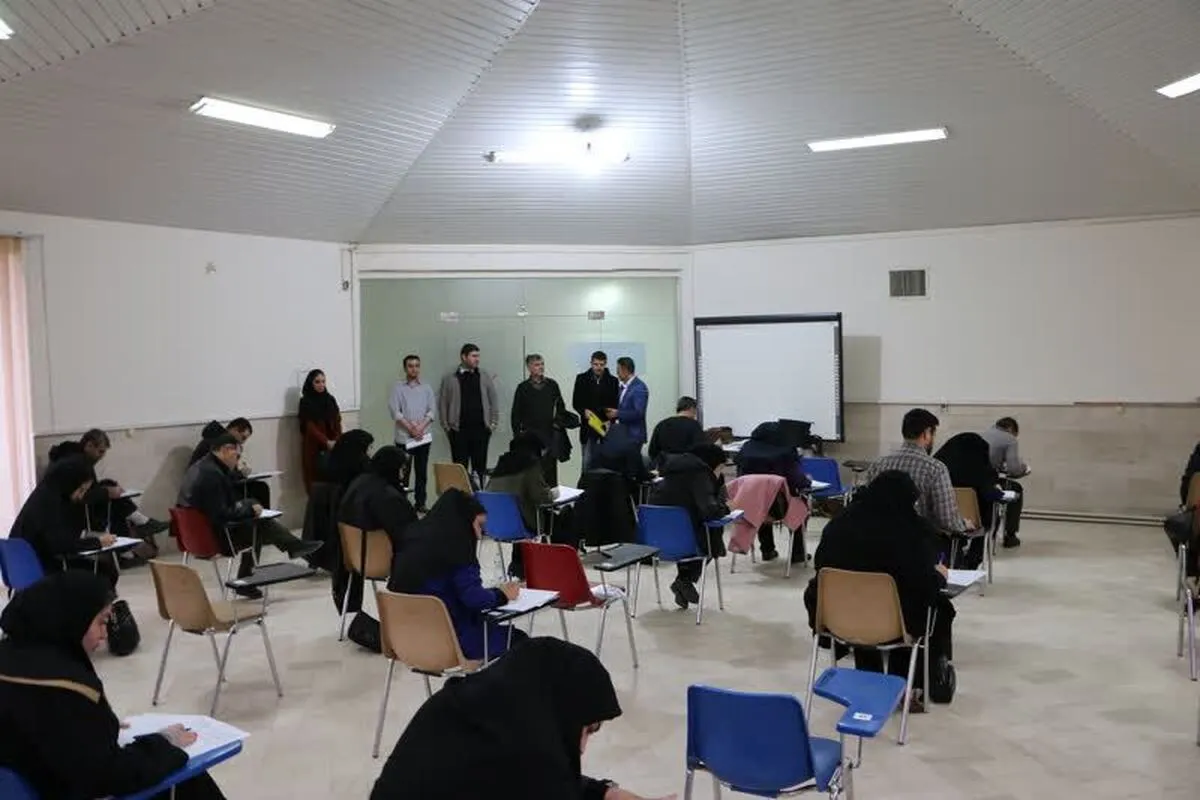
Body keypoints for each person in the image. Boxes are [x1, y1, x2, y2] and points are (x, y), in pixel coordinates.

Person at [0, 571, 227, 799]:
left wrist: (94, 727)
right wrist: (164, 742)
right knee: (188, 777)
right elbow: (112, 776)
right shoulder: (64, 688)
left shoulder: (14, 661)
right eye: (101, 622)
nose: (105, 634)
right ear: (72, 619)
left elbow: (48, 733)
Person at [371, 637, 671, 800]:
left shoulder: (461, 707)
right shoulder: (528, 754)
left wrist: (606, 793)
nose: (581, 747)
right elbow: (540, 777)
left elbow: (523, 777)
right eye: (587, 729)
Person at [803, 471, 955, 712]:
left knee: (869, 601)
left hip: (839, 621)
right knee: (929, 606)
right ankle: (906, 687)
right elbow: (923, 584)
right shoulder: (914, 530)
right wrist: (940, 575)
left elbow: (821, 565)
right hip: (892, 626)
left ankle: (868, 682)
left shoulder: (839, 523)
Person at [178, 433, 321, 599]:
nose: (238, 460)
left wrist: (247, 504)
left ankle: (292, 548)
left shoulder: (203, 467)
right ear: (226, 450)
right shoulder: (212, 475)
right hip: (213, 539)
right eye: (237, 455)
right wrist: (250, 511)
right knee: (258, 526)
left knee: (253, 510)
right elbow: (223, 514)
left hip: (194, 536)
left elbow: (220, 502)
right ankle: (291, 548)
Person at [387, 488, 522, 661]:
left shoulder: (409, 539)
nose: (479, 535)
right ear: (464, 522)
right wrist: (502, 595)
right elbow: (474, 599)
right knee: (518, 640)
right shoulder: (458, 551)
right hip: (450, 641)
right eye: (479, 526)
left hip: (405, 640)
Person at [10, 456, 119, 587]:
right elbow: (61, 546)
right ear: (70, 483)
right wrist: (98, 542)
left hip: (25, 566)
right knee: (105, 572)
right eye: (81, 490)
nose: (81, 496)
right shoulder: (51, 504)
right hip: (42, 567)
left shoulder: (45, 494)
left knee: (102, 569)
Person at [337, 445, 418, 619]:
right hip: (380, 558)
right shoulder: (387, 496)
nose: (403, 474)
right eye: (402, 469)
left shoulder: (359, 482)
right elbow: (409, 532)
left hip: (355, 557)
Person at [647, 443, 730, 610]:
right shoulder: (701, 476)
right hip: (688, 543)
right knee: (711, 534)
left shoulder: (667, 474)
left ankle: (683, 581)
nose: (720, 473)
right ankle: (684, 580)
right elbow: (711, 511)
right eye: (721, 468)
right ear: (712, 463)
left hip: (655, 543)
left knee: (689, 529)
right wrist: (726, 507)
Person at [49, 428, 168, 540]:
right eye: (100, 452)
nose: (101, 457)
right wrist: (107, 492)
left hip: (75, 511)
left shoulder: (71, 459)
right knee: (115, 504)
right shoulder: (78, 463)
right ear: (89, 446)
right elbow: (80, 496)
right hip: (75, 517)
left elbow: (84, 490)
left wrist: (107, 490)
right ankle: (139, 525)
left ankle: (139, 525)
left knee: (110, 489)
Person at [864, 408, 965, 537]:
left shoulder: (878, 464)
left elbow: (867, 506)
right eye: (933, 435)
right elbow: (947, 520)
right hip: (919, 543)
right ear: (926, 433)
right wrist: (963, 524)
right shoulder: (936, 469)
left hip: (879, 540)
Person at [302, 428, 375, 573]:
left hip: (327, 518)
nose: (371, 451)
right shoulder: (361, 465)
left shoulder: (327, 460)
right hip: (349, 519)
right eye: (370, 447)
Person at [735, 421, 811, 563]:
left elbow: (740, 479)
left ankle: (767, 550)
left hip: (749, 508)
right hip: (779, 508)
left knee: (760, 499)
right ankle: (798, 553)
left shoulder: (745, 450)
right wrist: (807, 481)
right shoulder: (786, 451)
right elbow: (798, 481)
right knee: (802, 507)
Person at [487, 432, 556, 579]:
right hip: (524, 525)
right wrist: (553, 493)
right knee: (559, 520)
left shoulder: (500, 465)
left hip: (496, 526)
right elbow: (543, 498)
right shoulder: (530, 466)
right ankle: (551, 566)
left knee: (519, 513)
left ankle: (518, 567)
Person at [934, 432, 1003, 568]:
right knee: (992, 516)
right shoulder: (981, 471)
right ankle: (972, 561)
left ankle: (956, 556)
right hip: (973, 522)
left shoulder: (939, 469)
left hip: (943, 521)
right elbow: (993, 495)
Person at [438, 343, 500, 487]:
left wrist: (492, 424)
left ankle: (480, 496)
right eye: (474, 356)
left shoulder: (484, 376)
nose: (477, 359)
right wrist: (447, 427)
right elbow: (443, 404)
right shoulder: (450, 378)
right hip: (459, 431)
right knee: (460, 470)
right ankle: (462, 498)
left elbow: (493, 400)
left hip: (481, 430)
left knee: (480, 469)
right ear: (463, 357)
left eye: (478, 356)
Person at [389, 354, 436, 513]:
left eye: (417, 365)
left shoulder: (426, 387)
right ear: (405, 368)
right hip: (404, 437)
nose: (414, 369)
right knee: (403, 473)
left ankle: (420, 503)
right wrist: (411, 428)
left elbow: (432, 411)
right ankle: (402, 505)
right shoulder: (398, 388)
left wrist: (420, 428)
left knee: (421, 472)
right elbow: (396, 412)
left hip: (423, 436)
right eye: (410, 366)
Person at [511, 353, 567, 485]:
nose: (541, 367)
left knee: (550, 473)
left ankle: (552, 497)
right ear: (529, 367)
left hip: (549, 434)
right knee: (531, 473)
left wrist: (558, 426)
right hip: (530, 436)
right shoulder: (523, 388)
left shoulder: (552, 385)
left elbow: (561, 408)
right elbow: (516, 414)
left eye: (542, 364)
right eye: (537, 365)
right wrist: (518, 435)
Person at [188, 418, 271, 508]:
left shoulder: (223, 442)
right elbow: (221, 474)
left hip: (216, 484)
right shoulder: (216, 444)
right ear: (234, 430)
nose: (242, 442)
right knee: (257, 491)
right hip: (208, 488)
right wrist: (240, 474)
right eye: (243, 438)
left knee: (259, 488)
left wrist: (239, 471)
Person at [980, 416, 1027, 548]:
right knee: (1016, 489)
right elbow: (1014, 469)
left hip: (973, 482)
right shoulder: (1010, 439)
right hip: (990, 483)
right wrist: (1024, 468)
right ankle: (1010, 535)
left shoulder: (983, 434)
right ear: (1011, 430)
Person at [298, 369, 343, 494]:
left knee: (333, 483)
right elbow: (309, 426)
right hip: (314, 447)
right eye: (317, 382)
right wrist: (326, 441)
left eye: (323, 381)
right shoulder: (306, 402)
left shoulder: (330, 399)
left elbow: (337, 421)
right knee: (315, 483)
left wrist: (337, 440)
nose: (321, 385)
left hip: (333, 446)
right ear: (311, 383)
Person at [572, 350, 620, 467]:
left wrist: (611, 420)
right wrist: (583, 411)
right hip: (588, 425)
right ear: (591, 363)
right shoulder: (581, 379)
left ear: (605, 364)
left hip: (606, 426)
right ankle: (585, 480)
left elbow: (616, 404)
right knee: (587, 461)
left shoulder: (613, 381)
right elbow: (576, 402)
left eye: (601, 364)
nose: (598, 367)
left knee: (607, 462)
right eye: (596, 364)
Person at [647, 396, 707, 469]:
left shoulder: (661, 424)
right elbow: (702, 450)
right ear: (692, 408)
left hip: (664, 469)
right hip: (687, 469)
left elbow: (652, 451)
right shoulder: (694, 425)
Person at [606, 356, 649, 448]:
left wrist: (617, 413)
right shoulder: (622, 387)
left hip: (633, 436)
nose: (617, 373)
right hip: (623, 435)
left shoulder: (639, 388)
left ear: (625, 370)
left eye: (618, 369)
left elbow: (639, 413)